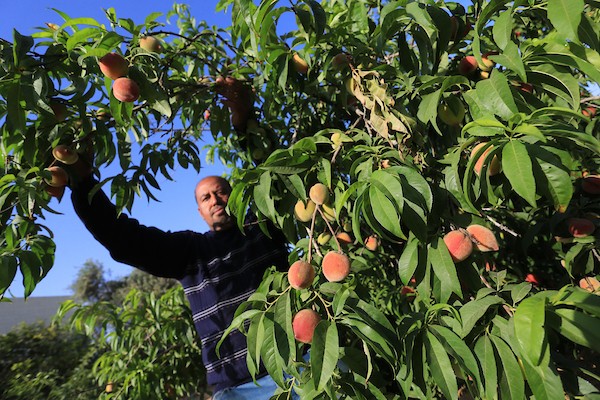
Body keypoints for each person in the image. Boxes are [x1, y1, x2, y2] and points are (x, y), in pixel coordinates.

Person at [70, 78, 293, 399]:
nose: (215, 200)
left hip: (302, 361)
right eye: (206, 198)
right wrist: (81, 182)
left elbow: (277, 176)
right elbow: (123, 238)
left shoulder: (263, 227)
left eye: (221, 192)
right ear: (199, 210)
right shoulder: (192, 253)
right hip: (238, 386)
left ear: (235, 196)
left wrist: (245, 122)